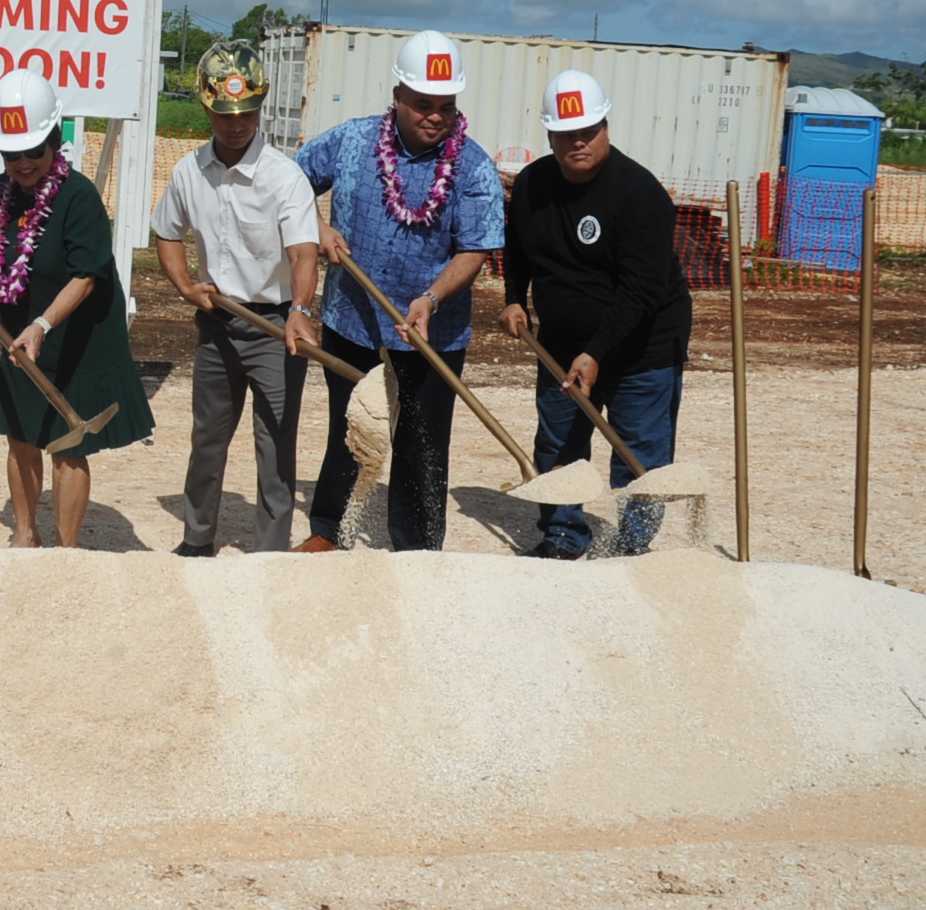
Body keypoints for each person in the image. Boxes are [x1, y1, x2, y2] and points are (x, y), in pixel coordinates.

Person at [294, 29, 504, 553]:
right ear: (398, 98)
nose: (434, 116)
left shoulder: (474, 166)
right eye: (422, 104)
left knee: (423, 440)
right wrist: (317, 229)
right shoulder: (352, 141)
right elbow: (289, 180)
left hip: (433, 327)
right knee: (353, 426)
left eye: (445, 106)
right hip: (352, 317)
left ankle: (417, 549)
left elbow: (474, 250)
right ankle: (329, 531)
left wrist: (432, 298)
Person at [501, 70, 693, 559]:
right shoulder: (532, 185)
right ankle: (563, 537)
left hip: (643, 348)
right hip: (562, 344)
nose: (578, 142)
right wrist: (514, 297)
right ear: (550, 134)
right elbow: (518, 247)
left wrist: (598, 352)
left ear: (606, 126)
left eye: (589, 130)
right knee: (559, 447)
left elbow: (642, 289)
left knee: (640, 454)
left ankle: (631, 548)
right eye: (566, 133)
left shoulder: (640, 194)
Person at [0, 68, 153, 548]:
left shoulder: (79, 197)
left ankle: (65, 550)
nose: (22, 163)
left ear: (54, 140)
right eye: (11, 153)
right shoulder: (0, 190)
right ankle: (24, 537)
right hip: (19, 332)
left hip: (74, 336)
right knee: (21, 435)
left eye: (33, 151)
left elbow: (86, 276)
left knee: (68, 447)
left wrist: (43, 324)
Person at [152, 40, 321, 556]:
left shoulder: (283, 176)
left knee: (274, 444)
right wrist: (184, 286)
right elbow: (166, 232)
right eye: (226, 114)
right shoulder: (188, 172)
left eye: (247, 112)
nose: (236, 124)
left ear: (260, 107)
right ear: (207, 107)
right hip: (218, 324)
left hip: (275, 328)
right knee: (207, 440)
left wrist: (299, 311)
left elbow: (304, 253)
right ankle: (196, 540)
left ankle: (269, 552)